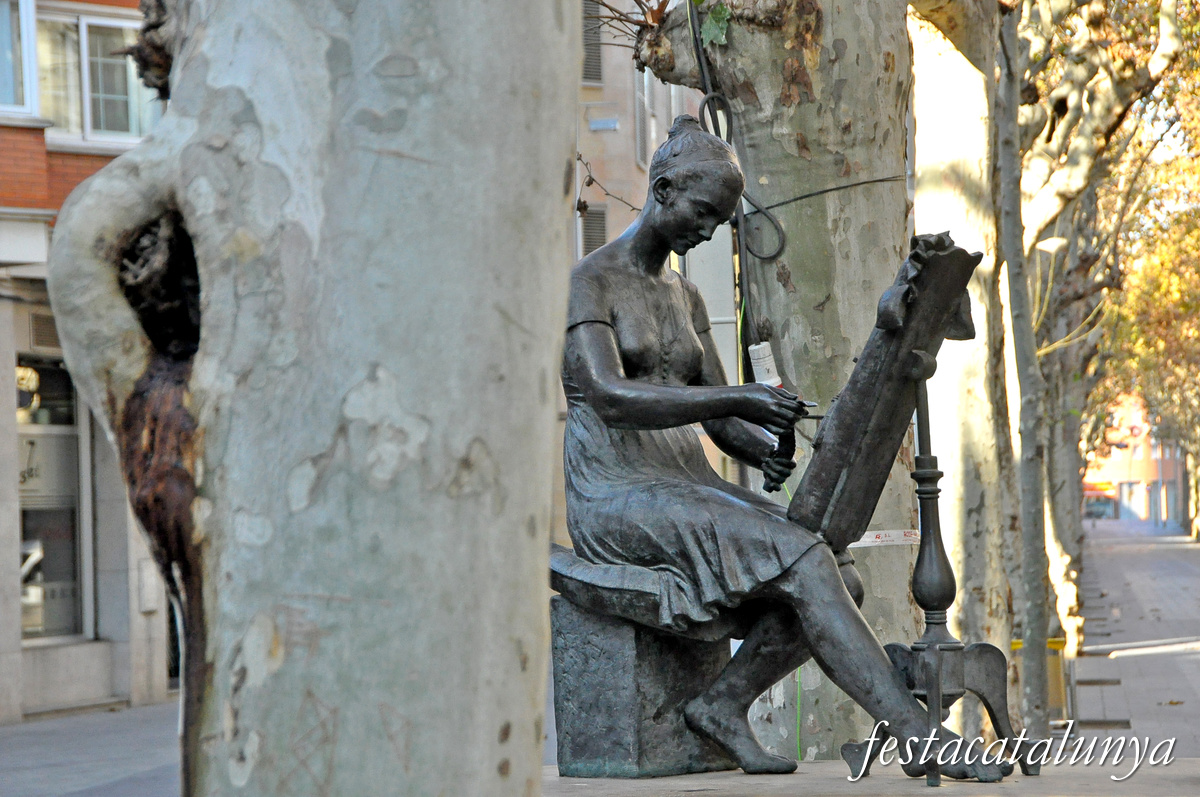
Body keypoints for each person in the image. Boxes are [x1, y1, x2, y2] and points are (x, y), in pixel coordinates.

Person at [560, 115, 1003, 781]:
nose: (707, 231)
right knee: (806, 560)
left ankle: (723, 704)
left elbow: (719, 424)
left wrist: (769, 436)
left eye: (720, 221)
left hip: (685, 485)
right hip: (615, 493)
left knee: (836, 570)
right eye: (702, 213)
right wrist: (737, 399)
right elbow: (607, 394)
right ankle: (916, 734)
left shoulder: (683, 292)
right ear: (662, 189)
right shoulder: (590, 280)